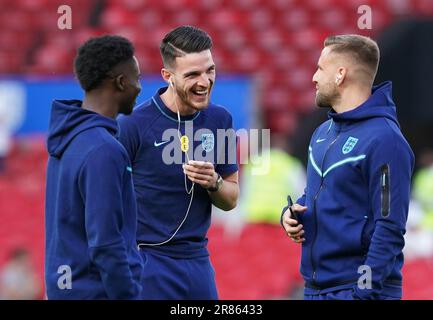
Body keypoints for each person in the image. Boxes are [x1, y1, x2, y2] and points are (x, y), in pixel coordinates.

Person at [281, 34, 414, 300]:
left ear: (341, 74)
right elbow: (314, 195)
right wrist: (291, 214)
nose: (314, 78)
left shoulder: (385, 140)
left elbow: (388, 228)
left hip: (357, 291)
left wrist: (361, 293)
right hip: (315, 289)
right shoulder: (321, 133)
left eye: (320, 68)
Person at [118, 25, 239, 300]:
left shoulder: (220, 121)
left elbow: (231, 199)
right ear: (168, 76)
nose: (204, 81)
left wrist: (214, 182)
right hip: (146, 260)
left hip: (197, 261)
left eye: (210, 70)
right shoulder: (134, 126)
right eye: (193, 74)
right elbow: (106, 197)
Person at [45, 35, 143, 299]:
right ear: (121, 82)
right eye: (137, 78)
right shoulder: (104, 149)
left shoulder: (68, 139)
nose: (140, 87)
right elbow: (106, 243)